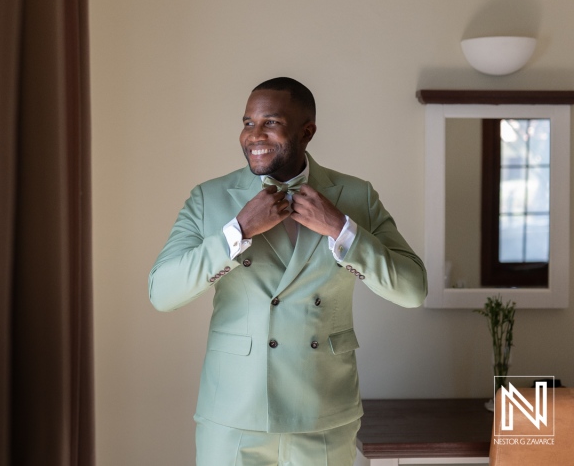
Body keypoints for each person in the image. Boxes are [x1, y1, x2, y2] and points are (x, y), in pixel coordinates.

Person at [148, 77, 427, 465]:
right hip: (234, 417)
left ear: (307, 131)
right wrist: (237, 231)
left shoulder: (355, 196)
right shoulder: (209, 198)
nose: (254, 135)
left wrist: (341, 229)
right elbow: (162, 293)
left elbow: (412, 291)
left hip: (323, 415)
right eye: (248, 123)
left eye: (271, 123)